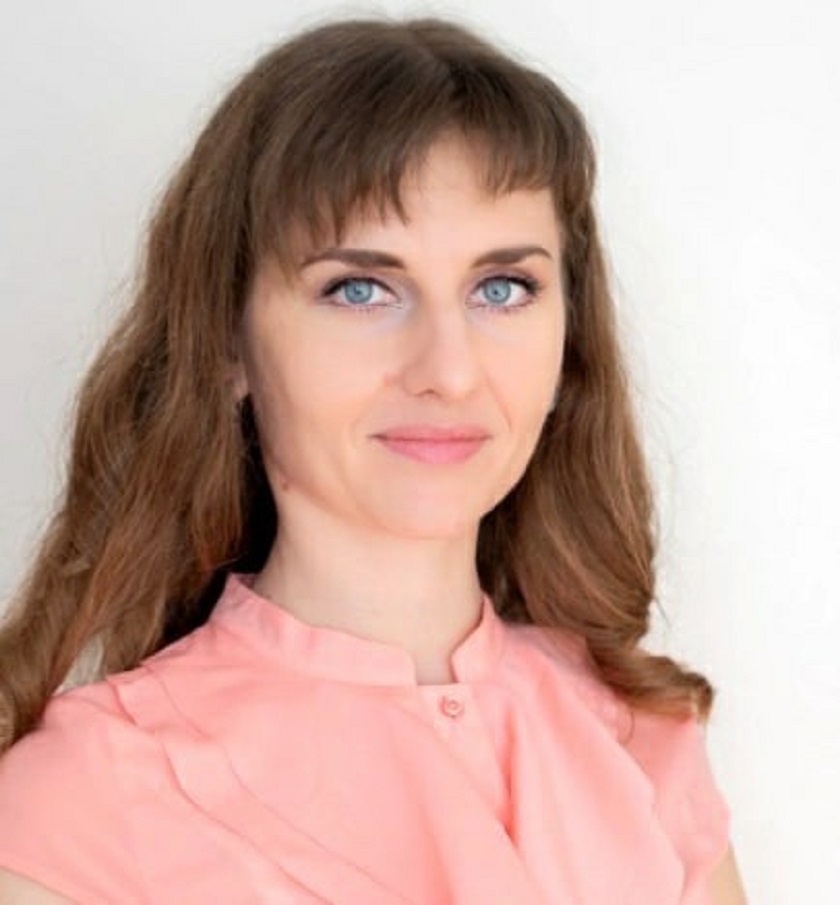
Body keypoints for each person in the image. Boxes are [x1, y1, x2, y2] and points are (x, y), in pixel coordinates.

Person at [0, 15, 746, 904]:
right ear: (227, 341)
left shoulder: (642, 742)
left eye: (502, 288)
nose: (449, 371)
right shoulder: (80, 805)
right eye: (360, 289)